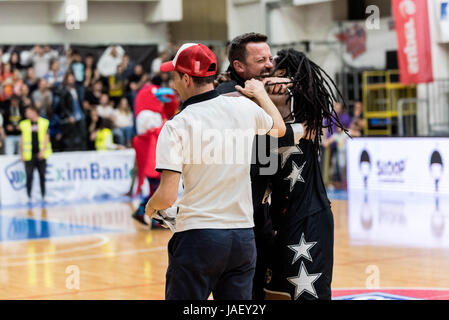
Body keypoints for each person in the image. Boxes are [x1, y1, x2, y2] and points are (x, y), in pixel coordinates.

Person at [145, 43, 286, 300]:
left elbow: (167, 197)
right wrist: (261, 94)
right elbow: (279, 128)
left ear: (186, 78)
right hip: (242, 237)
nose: (173, 81)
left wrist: (150, 207)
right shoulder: (243, 108)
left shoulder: (178, 124)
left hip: (198, 237)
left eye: (175, 75)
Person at [215, 32, 298, 300]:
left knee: (259, 288)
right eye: (261, 60)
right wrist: (269, 95)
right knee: (236, 292)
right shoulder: (226, 96)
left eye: (270, 58)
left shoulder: (270, 91)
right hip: (231, 214)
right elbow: (280, 133)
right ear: (239, 67)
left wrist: (285, 86)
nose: (269, 65)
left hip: (260, 210)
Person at [260, 48, 348, 300]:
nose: (264, 77)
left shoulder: (303, 106)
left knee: (308, 295)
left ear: (285, 75)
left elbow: (304, 88)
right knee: (273, 292)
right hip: (275, 217)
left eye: (271, 70)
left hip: (309, 216)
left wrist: (277, 86)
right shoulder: (258, 108)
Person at [19, 105, 52, 203]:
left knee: (42, 176)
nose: (26, 114)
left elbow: (47, 137)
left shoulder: (44, 122)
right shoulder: (24, 124)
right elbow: (21, 140)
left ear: (34, 112)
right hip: (29, 154)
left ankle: (44, 195)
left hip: (41, 154)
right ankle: (28, 196)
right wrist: (21, 154)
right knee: (29, 176)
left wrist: (43, 151)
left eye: (28, 112)